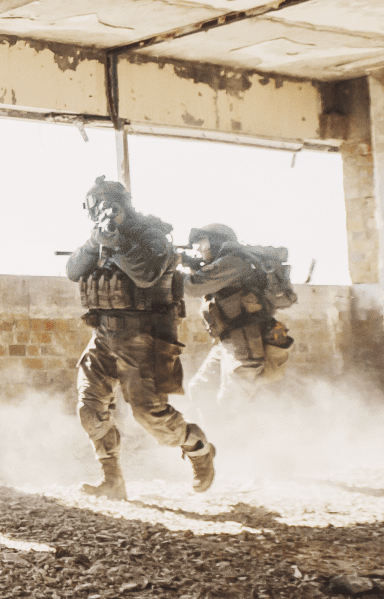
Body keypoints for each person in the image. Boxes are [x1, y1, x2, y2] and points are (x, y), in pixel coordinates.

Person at [65, 177, 215, 500]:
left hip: (142, 338)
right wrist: (96, 242)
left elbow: (146, 274)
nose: (101, 215)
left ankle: (198, 447)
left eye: (106, 207)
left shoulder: (152, 235)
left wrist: (117, 243)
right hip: (104, 335)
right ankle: (112, 480)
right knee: (89, 408)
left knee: (150, 416)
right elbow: (73, 269)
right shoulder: (101, 236)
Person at [180, 223, 296, 404]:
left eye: (204, 243)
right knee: (200, 389)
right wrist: (189, 263)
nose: (200, 249)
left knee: (231, 405)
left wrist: (170, 267)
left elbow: (193, 286)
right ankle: (209, 433)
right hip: (229, 344)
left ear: (216, 243)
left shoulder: (234, 262)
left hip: (246, 343)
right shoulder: (230, 263)